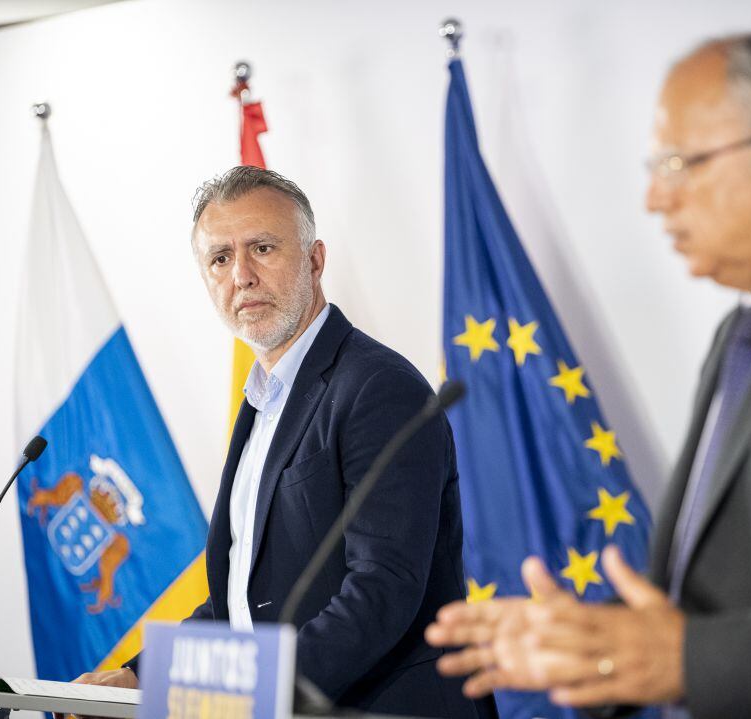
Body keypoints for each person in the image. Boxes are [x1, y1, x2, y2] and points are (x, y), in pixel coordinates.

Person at [426, 31, 751, 717]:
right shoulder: (745, 330)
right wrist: (598, 647)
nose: (655, 197)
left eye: (679, 162)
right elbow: (716, 585)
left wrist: (685, 659)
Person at [77, 167, 494, 718]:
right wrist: (137, 677)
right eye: (220, 259)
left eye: (263, 248)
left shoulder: (377, 388)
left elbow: (382, 588)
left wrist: (251, 693)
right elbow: (236, 607)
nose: (241, 275)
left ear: (315, 260)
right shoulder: (262, 404)